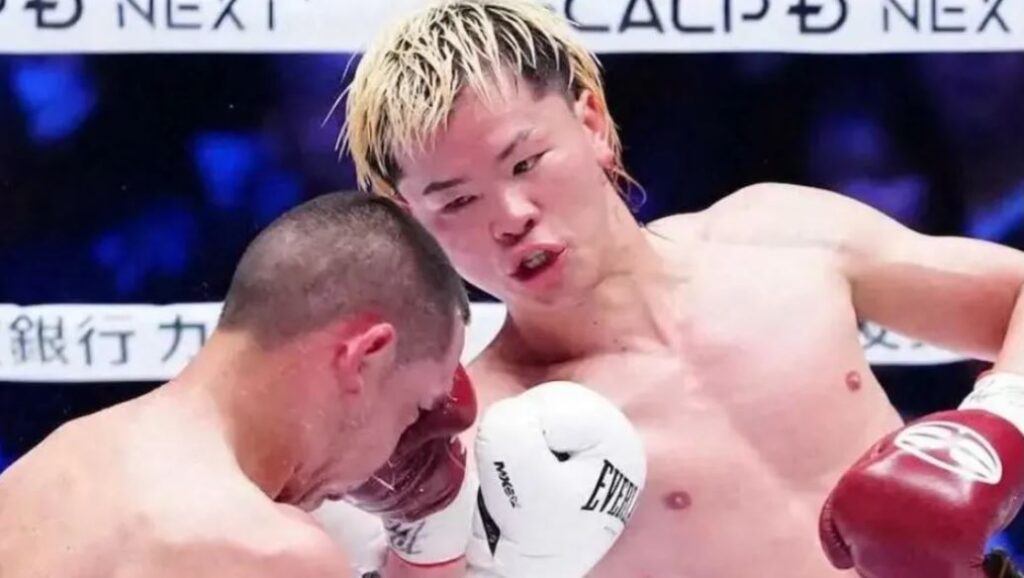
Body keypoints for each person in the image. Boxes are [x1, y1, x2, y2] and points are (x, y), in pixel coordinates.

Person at [338, 1, 1024, 576]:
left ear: (592, 125)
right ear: (412, 222)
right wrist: (422, 544)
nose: (511, 216)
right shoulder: (481, 437)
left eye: (526, 162)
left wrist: (992, 429)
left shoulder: (783, 238)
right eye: (457, 202)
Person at [0, 192, 475, 578]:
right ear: (365, 358)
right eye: (414, 409)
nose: (397, 451)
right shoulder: (270, 553)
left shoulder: (48, 467)